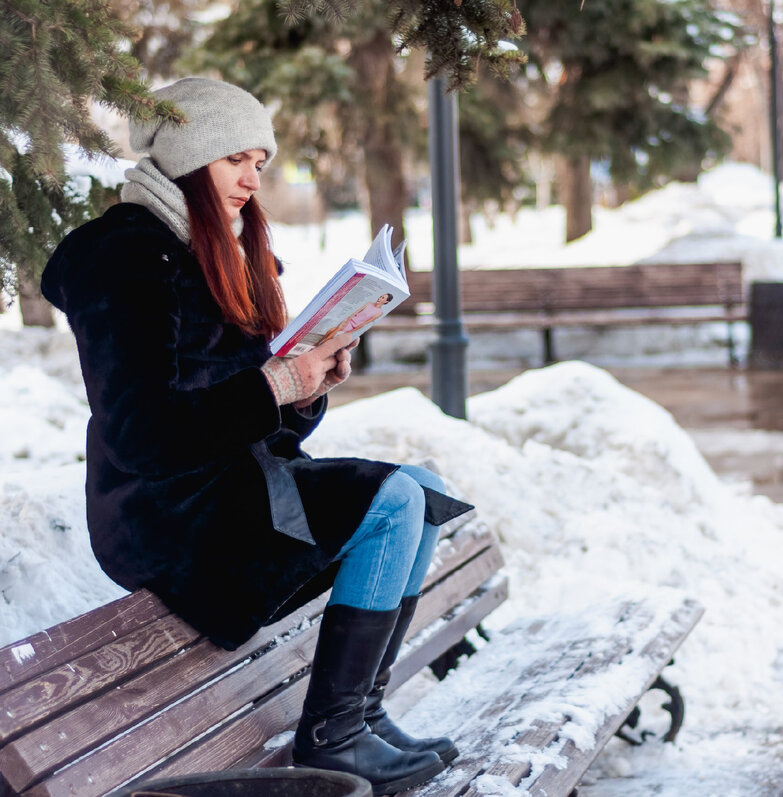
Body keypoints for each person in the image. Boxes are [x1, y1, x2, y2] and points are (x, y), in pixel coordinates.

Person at [40, 78, 470, 795]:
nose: (251, 177)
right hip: (162, 512)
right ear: (187, 156)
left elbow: (252, 406)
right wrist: (277, 385)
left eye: (261, 161)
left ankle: (359, 711)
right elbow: (142, 433)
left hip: (232, 486)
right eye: (234, 158)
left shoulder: (222, 249)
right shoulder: (125, 257)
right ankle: (333, 734)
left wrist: (307, 388)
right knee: (392, 498)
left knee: (422, 490)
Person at [320, 293, 393, 344]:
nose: (379, 298)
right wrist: (347, 320)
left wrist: (351, 331)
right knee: (333, 329)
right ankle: (320, 343)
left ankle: (320, 343)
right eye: (380, 296)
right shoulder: (369, 304)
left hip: (353, 326)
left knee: (336, 329)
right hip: (349, 320)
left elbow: (365, 323)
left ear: (386, 301)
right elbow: (356, 312)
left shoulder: (379, 313)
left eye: (383, 298)